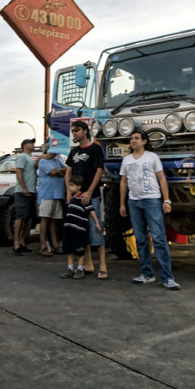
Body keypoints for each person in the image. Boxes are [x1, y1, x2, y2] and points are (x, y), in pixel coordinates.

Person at [119, 129, 180, 289]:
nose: (133, 141)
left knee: (159, 238)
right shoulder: (126, 160)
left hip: (152, 200)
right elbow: (124, 182)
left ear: (144, 141)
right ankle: (147, 274)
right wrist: (122, 203)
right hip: (134, 202)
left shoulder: (152, 157)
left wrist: (166, 200)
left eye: (136, 138)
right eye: (131, 138)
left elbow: (161, 178)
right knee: (140, 240)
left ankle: (167, 278)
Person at [65, 120, 108, 279]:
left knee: (96, 229)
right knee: (80, 229)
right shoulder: (74, 151)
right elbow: (68, 171)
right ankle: (87, 264)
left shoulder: (95, 148)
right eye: (72, 131)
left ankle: (103, 266)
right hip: (76, 198)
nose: (74, 133)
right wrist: (68, 191)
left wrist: (89, 191)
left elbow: (99, 170)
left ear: (85, 131)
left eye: (76, 130)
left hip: (92, 196)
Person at [60, 175, 101, 279]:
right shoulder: (71, 199)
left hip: (79, 229)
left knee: (80, 249)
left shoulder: (83, 198)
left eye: (72, 185)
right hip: (69, 227)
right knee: (69, 249)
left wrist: (97, 222)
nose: (69, 187)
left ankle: (80, 268)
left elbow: (91, 210)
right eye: (69, 185)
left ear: (79, 186)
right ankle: (70, 268)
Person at [37, 142, 66, 256]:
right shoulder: (43, 161)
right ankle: (43, 246)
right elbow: (54, 172)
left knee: (54, 220)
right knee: (45, 219)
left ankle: (55, 245)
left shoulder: (56, 161)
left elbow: (66, 169)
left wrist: (60, 171)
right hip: (47, 195)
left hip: (56, 195)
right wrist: (60, 171)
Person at [12, 138, 37, 255]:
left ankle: (22, 240)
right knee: (20, 217)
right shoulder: (22, 157)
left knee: (27, 218)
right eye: (30, 143)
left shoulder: (31, 158)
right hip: (22, 191)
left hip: (31, 191)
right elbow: (19, 172)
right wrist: (23, 187)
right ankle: (16, 242)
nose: (33, 145)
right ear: (24, 145)